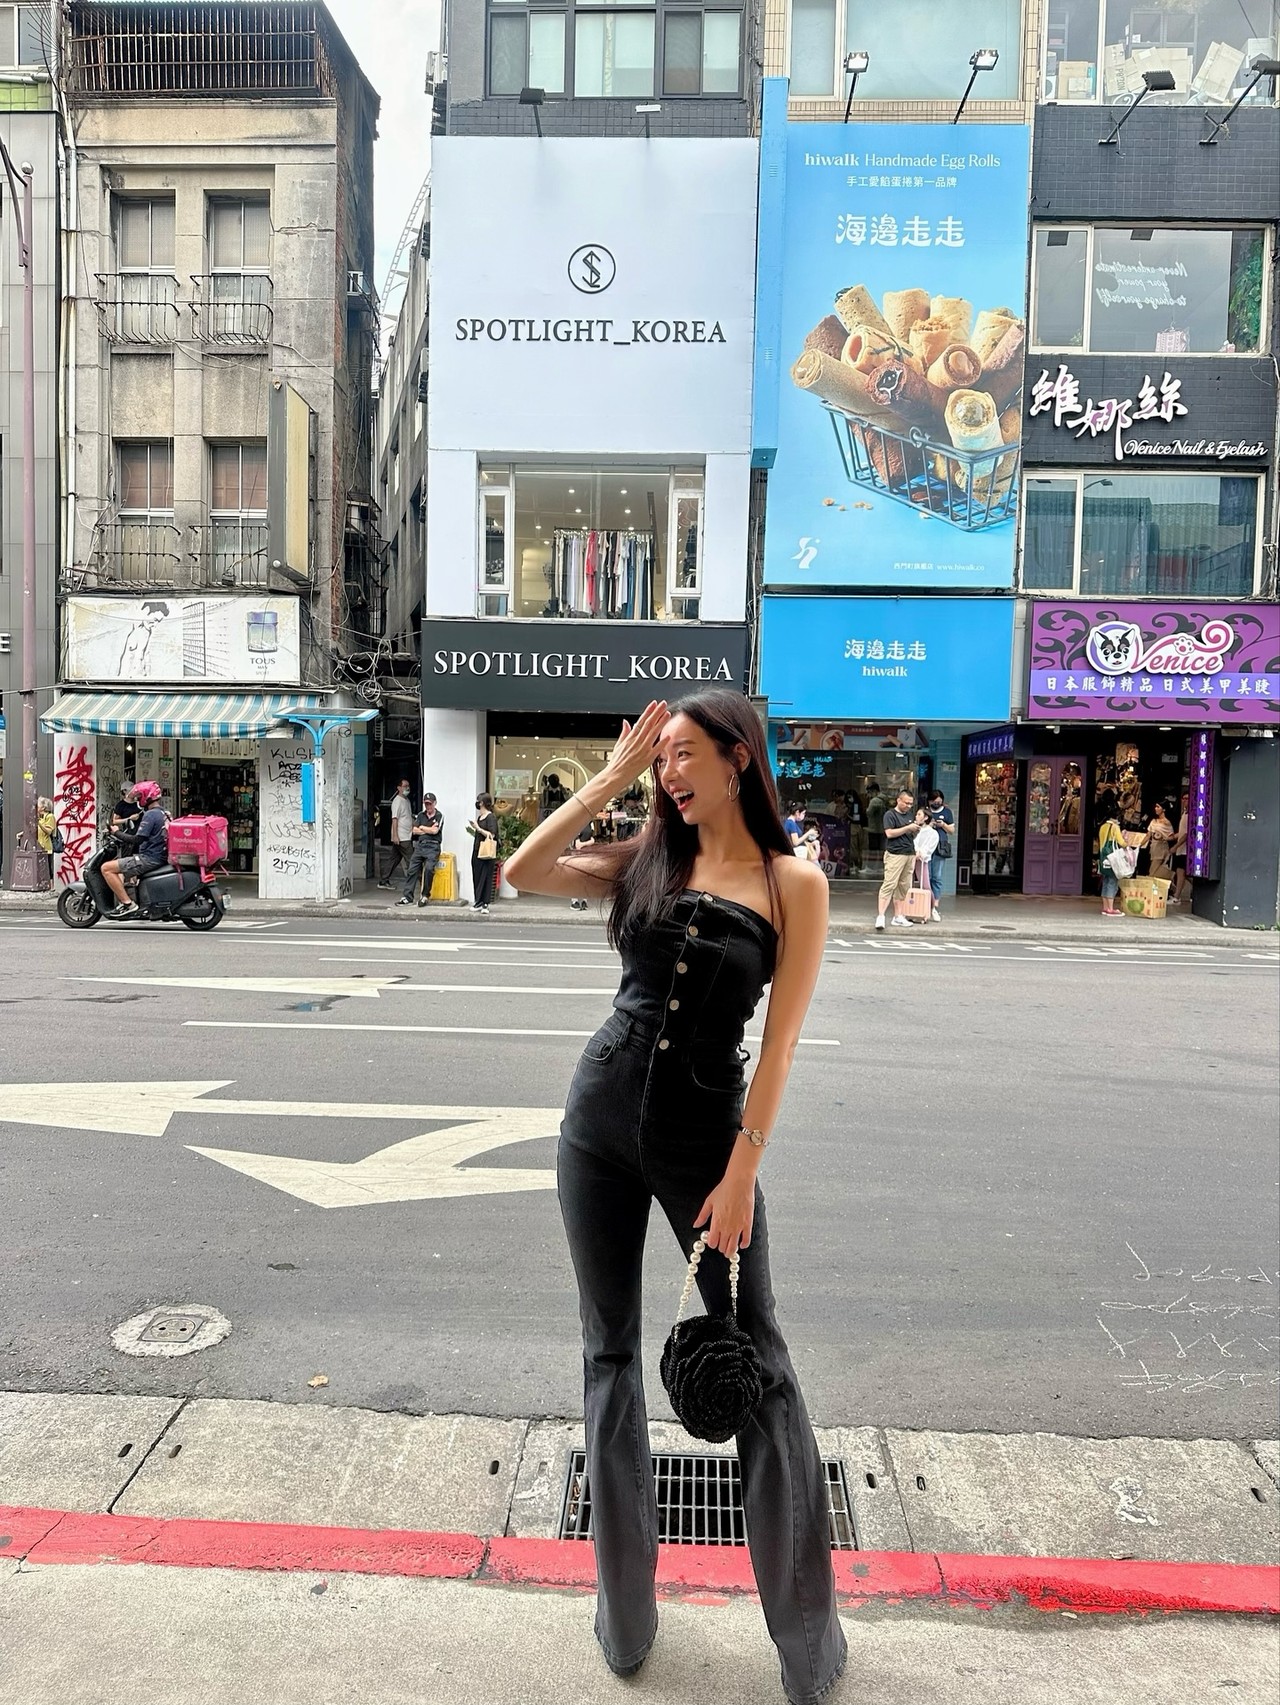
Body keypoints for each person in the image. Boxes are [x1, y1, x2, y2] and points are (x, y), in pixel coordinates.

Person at [502, 690, 846, 1702]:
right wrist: (607, 781)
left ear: (739, 758)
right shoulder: (649, 856)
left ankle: (806, 1645)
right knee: (607, 1353)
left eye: (685, 754)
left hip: (707, 1142)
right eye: (662, 760)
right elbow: (522, 872)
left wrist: (742, 1171)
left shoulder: (792, 882)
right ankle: (625, 1619)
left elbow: (780, 1042)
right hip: (597, 1123)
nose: (671, 774)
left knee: (760, 1362)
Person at [101, 781, 168, 917]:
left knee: (106, 868)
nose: (138, 800)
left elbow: (137, 839)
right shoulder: (164, 813)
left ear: (147, 797)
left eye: (139, 796)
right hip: (159, 856)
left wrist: (116, 833)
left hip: (149, 858)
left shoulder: (150, 815)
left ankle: (128, 904)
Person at [876, 787, 924, 930]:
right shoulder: (890, 815)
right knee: (889, 884)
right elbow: (889, 833)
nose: (909, 806)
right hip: (895, 854)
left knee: (903, 886)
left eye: (911, 804)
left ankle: (898, 916)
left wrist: (915, 828)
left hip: (909, 853)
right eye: (906, 803)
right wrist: (908, 828)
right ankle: (881, 916)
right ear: (898, 800)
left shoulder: (909, 815)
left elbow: (910, 835)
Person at [397, 791, 444, 907]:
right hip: (421, 845)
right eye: (426, 804)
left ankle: (425, 895)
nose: (428, 806)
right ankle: (408, 897)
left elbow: (435, 831)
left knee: (429, 869)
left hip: (433, 846)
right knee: (412, 869)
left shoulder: (439, 815)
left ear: (435, 803)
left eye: (430, 804)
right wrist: (427, 829)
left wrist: (422, 827)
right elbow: (414, 830)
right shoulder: (421, 815)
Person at [466, 793, 500, 913]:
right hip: (477, 850)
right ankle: (478, 901)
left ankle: (485, 903)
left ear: (482, 803)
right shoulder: (480, 817)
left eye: (478, 801)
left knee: (486, 876)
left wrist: (478, 828)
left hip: (486, 851)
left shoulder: (490, 817)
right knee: (477, 876)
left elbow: (492, 835)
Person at [925, 789, 955, 922]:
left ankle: (935, 905)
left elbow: (952, 830)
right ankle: (926, 903)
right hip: (927, 847)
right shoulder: (926, 811)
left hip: (940, 847)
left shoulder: (947, 812)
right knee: (927, 877)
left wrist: (943, 825)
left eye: (939, 801)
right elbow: (918, 826)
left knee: (936, 877)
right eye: (934, 801)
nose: (936, 803)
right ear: (929, 801)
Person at [378, 780, 414, 888]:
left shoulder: (406, 801)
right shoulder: (397, 801)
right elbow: (395, 819)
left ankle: (384, 880)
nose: (407, 788)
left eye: (408, 786)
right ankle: (413, 883)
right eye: (405, 786)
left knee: (394, 859)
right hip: (402, 837)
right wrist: (395, 835)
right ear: (399, 788)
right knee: (411, 860)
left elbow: (408, 817)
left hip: (407, 835)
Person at [1098, 807, 1127, 918]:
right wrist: (1128, 843)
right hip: (1112, 859)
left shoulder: (1103, 827)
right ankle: (1110, 908)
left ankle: (1105, 907)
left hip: (1103, 858)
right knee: (1112, 882)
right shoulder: (1115, 827)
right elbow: (1121, 843)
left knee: (1105, 881)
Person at [1146, 801, 1175, 884]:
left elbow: (1172, 836)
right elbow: (1148, 835)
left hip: (1161, 849)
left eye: (1158, 807)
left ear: (1164, 809)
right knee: (1155, 872)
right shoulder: (1153, 821)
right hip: (1153, 848)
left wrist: (1164, 838)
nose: (1156, 808)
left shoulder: (1167, 823)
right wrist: (1139, 844)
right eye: (1155, 806)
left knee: (1152, 872)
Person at [1172, 792, 1190, 904]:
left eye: (1187, 799)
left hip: (1185, 849)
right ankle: (1177, 896)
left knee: (1181, 872)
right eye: (1183, 798)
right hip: (1181, 849)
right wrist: (1173, 836)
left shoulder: (1191, 815)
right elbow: (1182, 832)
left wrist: (1176, 846)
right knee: (1182, 873)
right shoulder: (1184, 813)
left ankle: (1177, 897)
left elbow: (1187, 834)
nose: (1185, 801)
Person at [845, 788, 867, 875]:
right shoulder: (857, 805)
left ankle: (855, 865)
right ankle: (859, 865)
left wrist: (847, 815)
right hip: (859, 827)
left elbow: (855, 818)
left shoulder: (855, 806)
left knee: (854, 847)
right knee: (859, 848)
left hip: (854, 827)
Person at [36, 796, 57, 887]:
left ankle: (51, 885)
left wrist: (39, 823)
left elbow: (48, 831)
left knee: (48, 866)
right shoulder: (40, 818)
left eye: (38, 805)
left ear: (43, 807)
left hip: (46, 845)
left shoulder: (50, 817)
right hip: (39, 845)